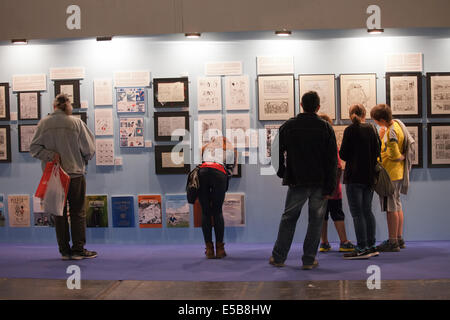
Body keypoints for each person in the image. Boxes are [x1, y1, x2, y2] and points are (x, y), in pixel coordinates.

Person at [269, 91, 337, 270]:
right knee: (315, 221)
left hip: (296, 180)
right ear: (318, 107)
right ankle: (308, 260)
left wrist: (283, 172)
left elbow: (275, 152)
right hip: (319, 182)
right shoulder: (326, 128)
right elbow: (331, 161)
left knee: (288, 219)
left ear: (301, 104)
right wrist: (330, 186)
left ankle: (278, 257)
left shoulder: (289, 126)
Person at [30, 93, 96, 260]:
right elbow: (89, 151)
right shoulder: (76, 122)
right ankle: (78, 250)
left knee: (58, 213)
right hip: (75, 174)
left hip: (55, 176)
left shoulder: (44, 123)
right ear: (68, 106)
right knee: (77, 212)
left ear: (54, 106)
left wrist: (51, 155)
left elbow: (34, 149)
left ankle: (64, 251)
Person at [339, 104, 381, 259]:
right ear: (365, 114)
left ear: (351, 114)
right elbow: (377, 151)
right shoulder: (372, 129)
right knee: (367, 211)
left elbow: (343, 154)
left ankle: (362, 247)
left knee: (357, 214)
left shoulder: (350, 130)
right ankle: (371, 245)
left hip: (354, 176)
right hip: (369, 177)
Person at [370, 104, 414, 252]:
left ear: (381, 119)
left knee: (391, 208)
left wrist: (399, 157)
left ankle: (393, 241)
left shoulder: (392, 131)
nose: (375, 123)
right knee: (397, 205)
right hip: (396, 173)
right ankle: (398, 237)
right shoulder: (396, 125)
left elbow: (393, 153)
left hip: (390, 174)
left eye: (376, 120)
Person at [317, 113, 355, 253]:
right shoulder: (331, 144)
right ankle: (344, 242)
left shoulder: (315, 145)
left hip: (318, 188)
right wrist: (333, 186)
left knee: (322, 215)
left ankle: (324, 243)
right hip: (332, 188)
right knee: (337, 214)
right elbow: (338, 167)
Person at [198, 136, 237, 259]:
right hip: (219, 173)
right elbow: (230, 170)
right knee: (217, 211)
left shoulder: (205, 147)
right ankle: (220, 249)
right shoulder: (230, 148)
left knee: (205, 212)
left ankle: (209, 249)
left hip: (202, 173)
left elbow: (200, 163)